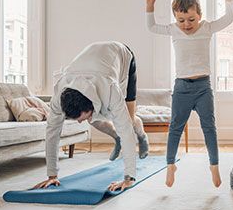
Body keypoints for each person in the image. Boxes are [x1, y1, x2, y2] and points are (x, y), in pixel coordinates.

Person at [145, 0, 233, 188]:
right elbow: (151, 27)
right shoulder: (172, 29)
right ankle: (170, 166)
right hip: (182, 87)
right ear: (176, 18)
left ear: (199, 16)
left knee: (209, 127)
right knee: (175, 127)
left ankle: (214, 166)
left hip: (203, 87)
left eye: (191, 20)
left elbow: (230, 18)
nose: (186, 25)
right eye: (181, 20)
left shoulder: (207, 28)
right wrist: (150, 5)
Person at [34, 41, 149, 191]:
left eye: (81, 117)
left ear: (91, 105)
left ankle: (142, 136)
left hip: (122, 57)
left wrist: (128, 178)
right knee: (94, 119)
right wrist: (52, 175)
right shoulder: (60, 94)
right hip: (93, 62)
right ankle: (116, 137)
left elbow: (126, 130)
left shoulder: (110, 89)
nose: (81, 122)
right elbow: (52, 133)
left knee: (129, 120)